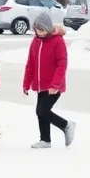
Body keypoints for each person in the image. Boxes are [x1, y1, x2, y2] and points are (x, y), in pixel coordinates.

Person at [23, 12, 74, 148]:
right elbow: (30, 63)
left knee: (43, 110)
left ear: (48, 29)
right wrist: (26, 83)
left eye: (42, 30)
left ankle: (66, 125)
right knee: (40, 111)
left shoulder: (57, 41)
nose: (39, 33)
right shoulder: (35, 41)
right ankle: (45, 140)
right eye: (37, 30)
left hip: (53, 85)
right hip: (40, 84)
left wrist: (55, 84)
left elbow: (62, 64)